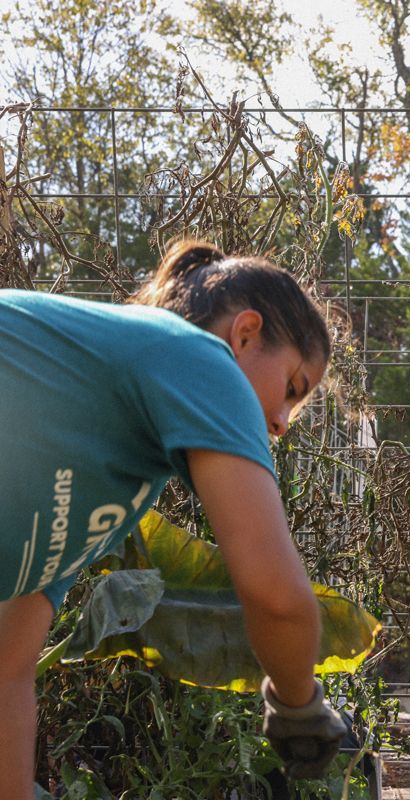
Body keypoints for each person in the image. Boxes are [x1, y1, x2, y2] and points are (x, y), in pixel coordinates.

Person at [0, 240, 348, 798]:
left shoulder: (121, 478)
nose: (283, 422)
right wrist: (297, 704)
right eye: (291, 389)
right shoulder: (194, 354)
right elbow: (276, 596)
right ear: (245, 334)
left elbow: (8, 667)